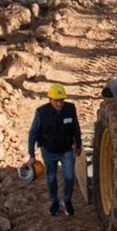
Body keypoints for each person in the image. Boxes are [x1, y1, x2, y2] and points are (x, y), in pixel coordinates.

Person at [27, 83, 80, 216]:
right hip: (48, 151)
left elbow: (75, 128)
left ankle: (67, 201)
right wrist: (31, 155)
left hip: (66, 150)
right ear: (50, 99)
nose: (59, 103)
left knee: (69, 177)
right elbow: (32, 133)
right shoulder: (41, 113)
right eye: (56, 100)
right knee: (51, 178)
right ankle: (54, 202)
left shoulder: (70, 109)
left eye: (61, 100)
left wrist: (78, 144)